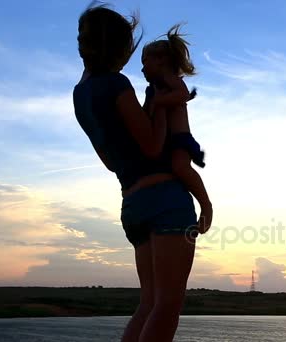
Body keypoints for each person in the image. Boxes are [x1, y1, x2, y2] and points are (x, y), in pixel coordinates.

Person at [72, 4, 210, 341]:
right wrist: (160, 108)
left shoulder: (80, 94)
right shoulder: (117, 85)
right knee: (167, 306)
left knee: (148, 303)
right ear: (117, 47)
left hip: (132, 206)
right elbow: (151, 146)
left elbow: (110, 161)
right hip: (167, 202)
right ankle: (208, 205)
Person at [140, 24, 212, 233]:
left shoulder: (168, 79)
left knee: (181, 168)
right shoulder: (153, 88)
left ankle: (205, 204)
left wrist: (160, 102)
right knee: (170, 169)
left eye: (145, 62)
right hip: (165, 140)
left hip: (179, 137)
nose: (142, 68)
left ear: (161, 60)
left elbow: (181, 95)